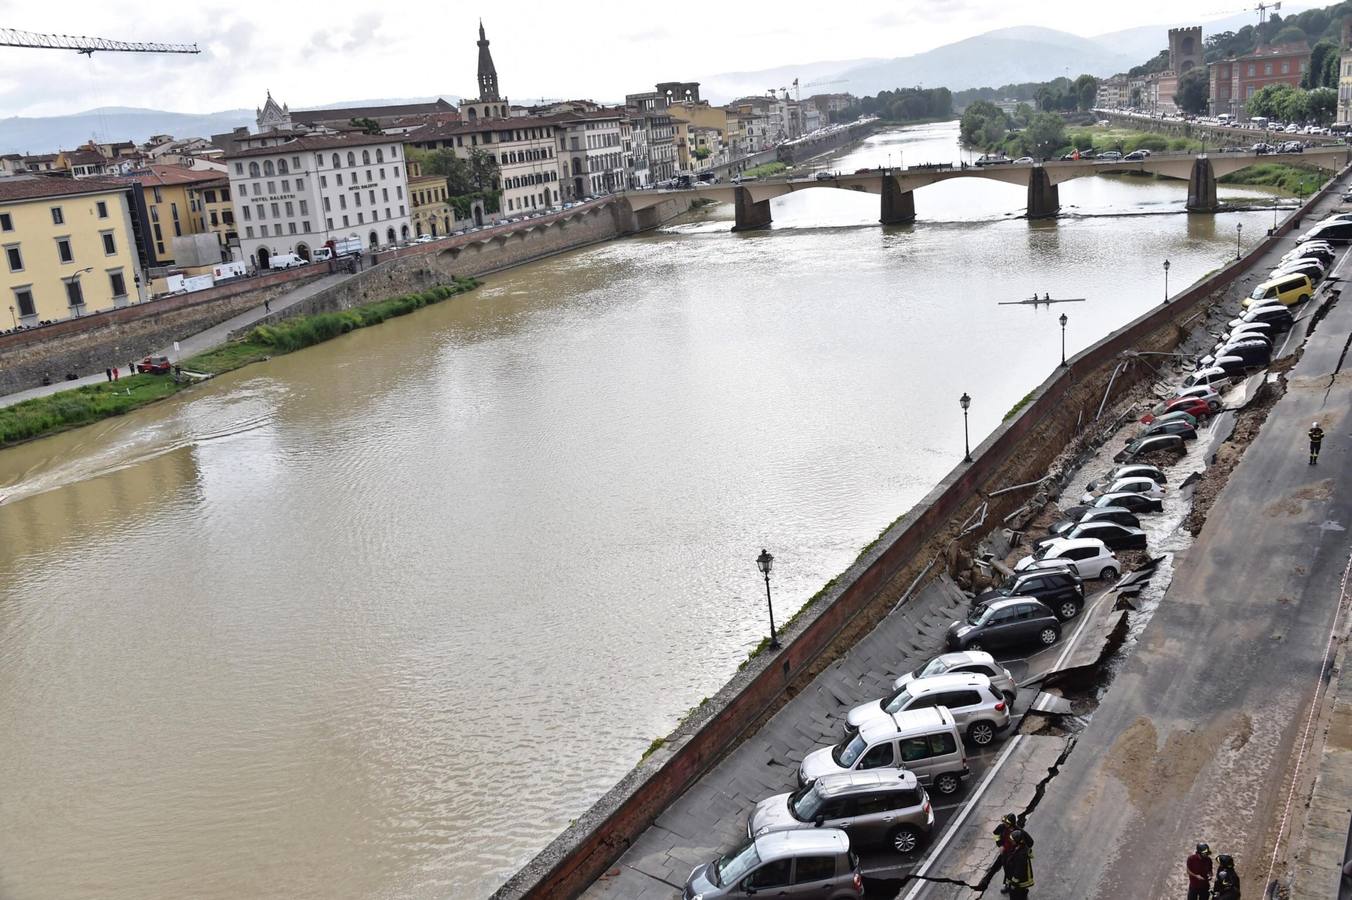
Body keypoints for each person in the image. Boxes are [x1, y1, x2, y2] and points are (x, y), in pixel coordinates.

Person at [1002, 828, 1034, 900]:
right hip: (1016, 877)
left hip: (1019, 881)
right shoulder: (1018, 847)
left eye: (1012, 840)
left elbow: (1019, 871)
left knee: (1016, 895)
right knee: (1020, 893)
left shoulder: (1021, 854)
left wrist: (1013, 884)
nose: (1011, 841)